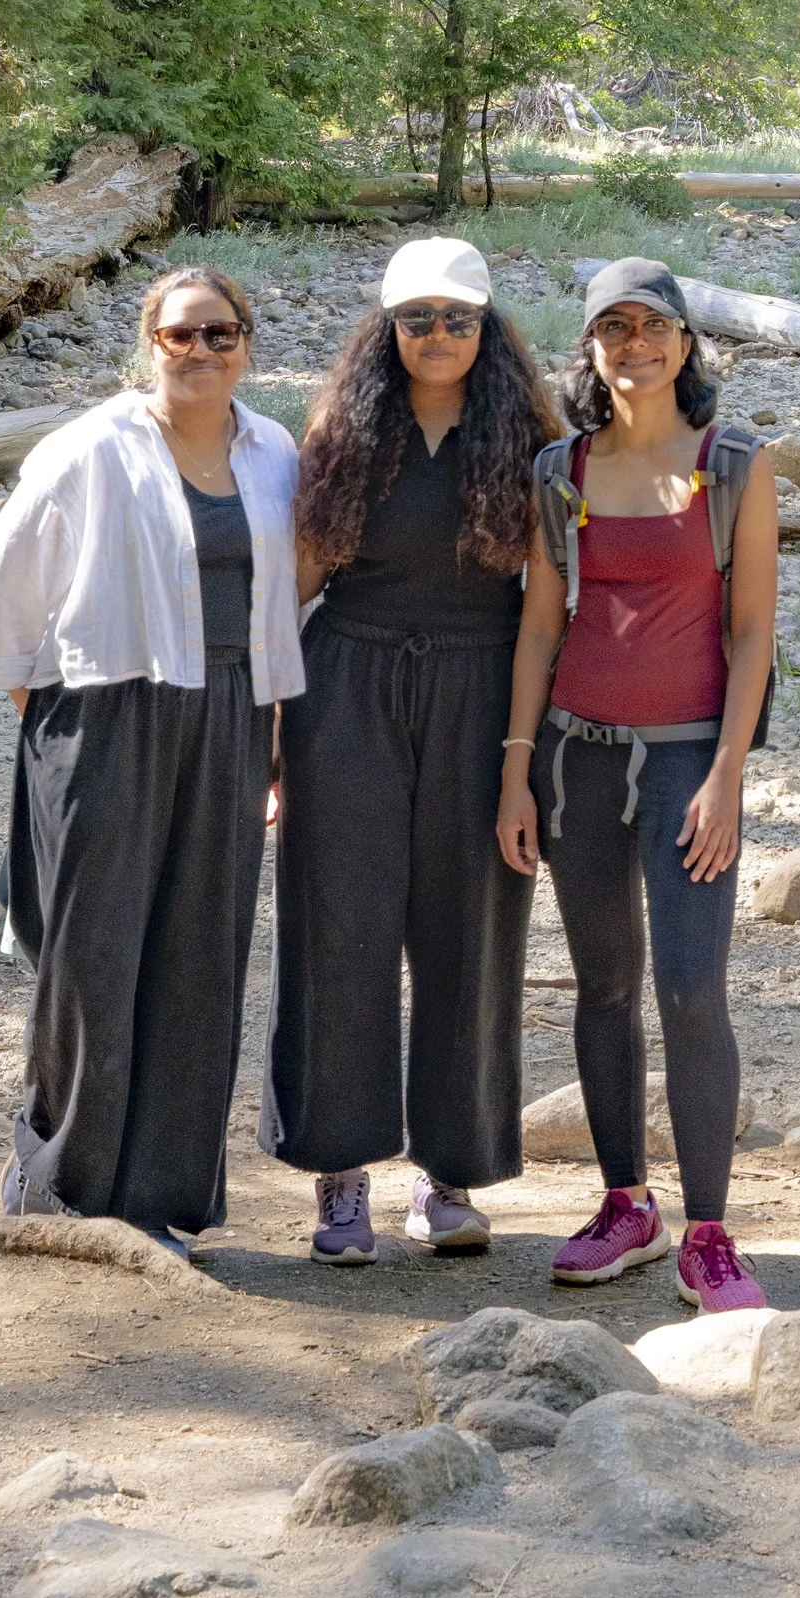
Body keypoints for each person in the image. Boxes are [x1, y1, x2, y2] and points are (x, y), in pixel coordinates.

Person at [0, 264, 302, 1254]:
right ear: (148, 342)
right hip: (105, 713)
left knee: (201, 949)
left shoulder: (274, 451)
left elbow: (287, 599)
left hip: (234, 718)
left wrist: (275, 730)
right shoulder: (90, 449)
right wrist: (42, 697)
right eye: (180, 333)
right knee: (94, 954)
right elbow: (0, 577)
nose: (200, 351)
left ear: (247, 344)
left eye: (220, 333)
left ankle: (159, 1194)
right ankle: (62, 1187)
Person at [264, 235, 560, 1264]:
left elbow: (541, 610)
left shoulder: (529, 432)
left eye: (458, 319)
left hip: (480, 689)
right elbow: (298, 576)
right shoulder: (346, 422)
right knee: (338, 925)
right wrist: (263, 720)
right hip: (345, 682)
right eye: (417, 318)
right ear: (386, 329)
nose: (437, 335)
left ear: (488, 329)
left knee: (469, 926)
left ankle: (451, 1173)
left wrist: (521, 754)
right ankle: (338, 1177)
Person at [498, 257, 778, 1316]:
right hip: (577, 761)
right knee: (603, 985)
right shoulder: (558, 469)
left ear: (686, 343)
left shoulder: (734, 464)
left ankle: (709, 1232)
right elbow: (538, 624)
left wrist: (726, 775)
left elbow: (751, 632)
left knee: (691, 988)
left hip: (685, 762)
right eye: (612, 328)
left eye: (653, 325)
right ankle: (627, 1204)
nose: (634, 344)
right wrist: (517, 770)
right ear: (591, 348)